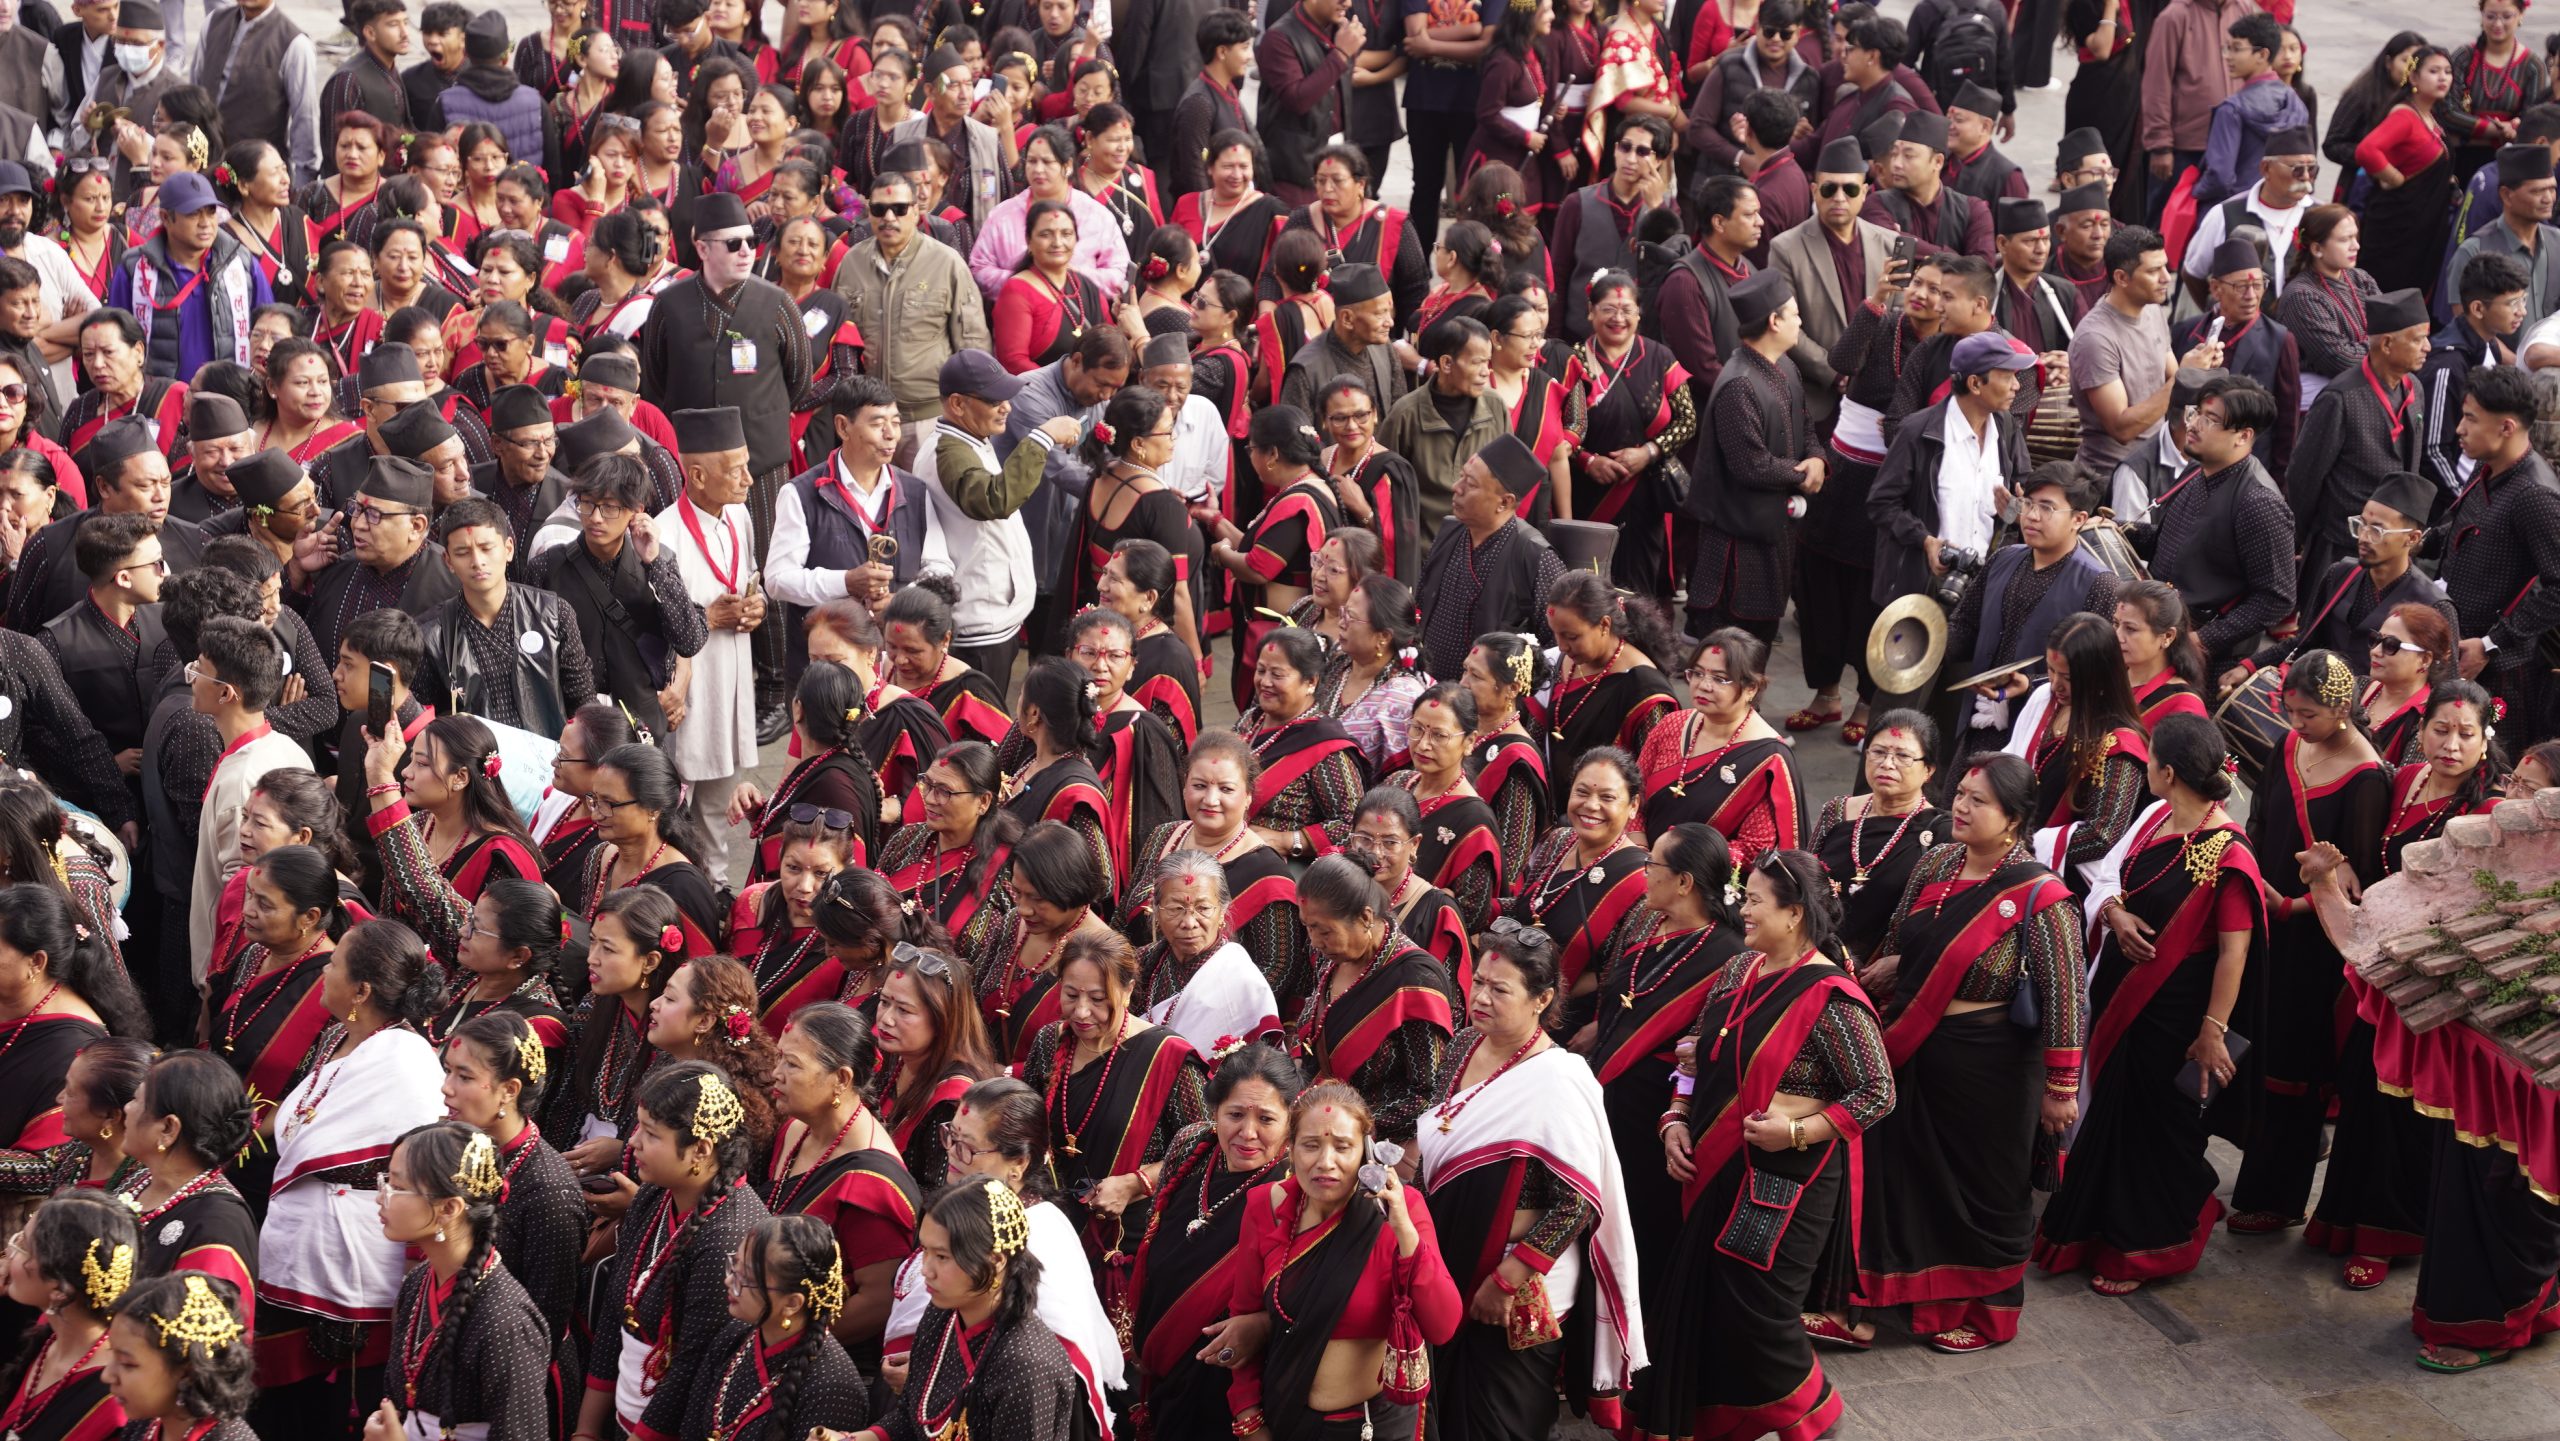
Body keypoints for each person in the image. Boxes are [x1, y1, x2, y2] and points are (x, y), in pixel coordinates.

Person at [1642, 850, 1892, 1438]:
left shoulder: (1831, 996)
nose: (1742, 910)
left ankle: (1814, 1421)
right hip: (1715, 1166)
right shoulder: (1739, 970)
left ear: (1795, 913)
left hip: (1785, 1184)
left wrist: (1797, 1131)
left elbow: (1878, 1092)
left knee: (1760, 1317)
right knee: (1715, 1310)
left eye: (1754, 900)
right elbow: (1694, 1056)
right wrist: (1675, 1118)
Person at [2032, 714, 2261, 1293]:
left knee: (2156, 1130)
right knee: (2112, 1117)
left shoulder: (2229, 854)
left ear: (2169, 772)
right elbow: (2109, 877)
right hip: (2119, 995)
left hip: (2174, 1017)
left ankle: (2147, 1247)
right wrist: (2114, 914)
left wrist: (2212, 1031)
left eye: (2152, 758)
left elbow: (2234, 953)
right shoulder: (2155, 815)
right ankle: (2096, 1231)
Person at [1415, 923, 1642, 1441]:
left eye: (1499, 989)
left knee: (1504, 1419)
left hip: (1518, 1278)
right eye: (1478, 982)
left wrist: (1507, 1280)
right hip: (1450, 1257)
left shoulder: (1560, 1079)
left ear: (1541, 1000)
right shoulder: (1463, 1045)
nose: (1480, 998)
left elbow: (1575, 1204)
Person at [255, 920, 449, 1435]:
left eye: (335, 963)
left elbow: (417, 1171)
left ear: (362, 991)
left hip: (352, 1271)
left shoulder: (406, 1062)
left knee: (326, 1414)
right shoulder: (341, 1038)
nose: (324, 970)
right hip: (300, 1252)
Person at [1213, 1079, 1462, 1441]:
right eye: (1311, 1145)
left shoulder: (1400, 1209)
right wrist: (1248, 1416)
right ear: (1291, 1149)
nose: (1325, 1163)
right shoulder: (1265, 1207)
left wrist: (1403, 1230)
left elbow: (1443, 1326)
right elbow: (1244, 1319)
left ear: (1365, 1151)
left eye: (1343, 1147)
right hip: (1287, 1419)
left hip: (1375, 1425)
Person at [578, 1063, 775, 1441]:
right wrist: (586, 1430)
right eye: (638, 1127)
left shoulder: (729, 1240)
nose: (632, 1143)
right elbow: (616, 1315)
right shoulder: (655, 1193)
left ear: (700, 1149)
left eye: (651, 1134)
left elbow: (689, 1372)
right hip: (622, 1414)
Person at [366, 1120, 552, 1441]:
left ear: (449, 1208)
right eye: (386, 1181)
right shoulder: (419, 1281)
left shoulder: (506, 1322)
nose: (380, 1198)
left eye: (396, 1186)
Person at [1124, 732, 1311, 1015]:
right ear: (1184, 787)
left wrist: (1206, 1015)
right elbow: (1121, 922)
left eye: (1226, 789)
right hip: (1132, 1001)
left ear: (1248, 797)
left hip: (1215, 1019)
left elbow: (1276, 971)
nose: (1210, 799)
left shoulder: (1268, 874)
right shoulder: (1163, 837)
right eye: (1199, 786)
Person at [2122, 375, 2295, 673]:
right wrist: (2115, 530)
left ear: (2243, 436)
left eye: (2210, 420)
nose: (2193, 424)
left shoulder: (2259, 502)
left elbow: (2276, 598)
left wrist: (2203, 640)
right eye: (2196, 413)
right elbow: (2169, 543)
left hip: (2208, 660)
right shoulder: (2197, 471)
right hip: (2162, 634)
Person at [182, 613, 313, 957]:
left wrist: (220, 974)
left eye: (199, 670)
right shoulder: (288, 748)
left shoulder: (243, 781)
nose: (191, 678)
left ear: (226, 693)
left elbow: (241, 896)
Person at [2438, 366, 2560, 732]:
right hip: (2458, 647)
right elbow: (2467, 528)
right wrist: (2416, 541)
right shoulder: (2488, 464)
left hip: (2502, 671)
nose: (2460, 429)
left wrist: (2491, 643)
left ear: (2506, 427)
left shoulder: (2535, 496)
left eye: (2471, 419)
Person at [2290, 288, 2430, 596]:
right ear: (2388, 344)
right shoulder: (2340, 398)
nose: (2427, 347)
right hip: (2343, 545)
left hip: (2393, 547)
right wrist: (2299, 537)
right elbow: (2304, 476)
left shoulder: (2414, 388)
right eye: (2418, 339)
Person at [1639, 627, 1803, 875]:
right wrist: (1638, 847)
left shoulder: (1767, 759)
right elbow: (1633, 792)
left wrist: (1674, 857)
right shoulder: (1672, 725)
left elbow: (1754, 849)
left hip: (1704, 882)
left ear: (1751, 687)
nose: (1703, 686)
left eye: (1720, 679)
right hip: (1641, 864)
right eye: (1697, 673)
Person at [2071, 225, 2181, 482]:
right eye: (2153, 271)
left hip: (2157, 469)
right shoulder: (2095, 338)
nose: (2166, 278)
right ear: (2121, 278)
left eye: (2165, 267)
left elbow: (2172, 380)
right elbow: (2122, 428)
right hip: (2110, 479)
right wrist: (2186, 377)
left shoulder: (2152, 310)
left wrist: (2200, 368)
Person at [1548, 117, 1673, 341]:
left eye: (1643, 152)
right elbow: (1558, 273)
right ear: (1615, 149)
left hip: (1636, 341)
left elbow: (1669, 272)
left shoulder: (1666, 211)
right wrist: (1554, 340)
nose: (1630, 159)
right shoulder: (1577, 204)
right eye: (1625, 147)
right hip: (1578, 336)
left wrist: (1657, 211)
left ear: (1659, 160)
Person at [101, 1273, 258, 1441]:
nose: (106, 1375)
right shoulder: (144, 1426)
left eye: (127, 1363)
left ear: (188, 1373)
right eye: (112, 1355)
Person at [2355, 48, 2460, 296]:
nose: (2443, 78)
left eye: (2447, 72)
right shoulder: (2405, 115)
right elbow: (2367, 150)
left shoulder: (2429, 115)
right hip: (2397, 227)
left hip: (2421, 226)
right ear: (2413, 78)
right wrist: (2395, 178)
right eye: (2434, 71)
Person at [189, 0, 317, 189]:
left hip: (257, 178)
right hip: (204, 167)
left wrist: (303, 187)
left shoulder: (295, 44)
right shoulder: (213, 22)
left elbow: (305, 120)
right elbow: (194, 92)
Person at [2436, 145, 2560, 332]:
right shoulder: (2473, 252)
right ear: (2506, 195)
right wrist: (2525, 354)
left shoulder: (2557, 242)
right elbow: (2468, 330)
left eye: (2552, 189)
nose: (2548, 199)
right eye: (2537, 191)